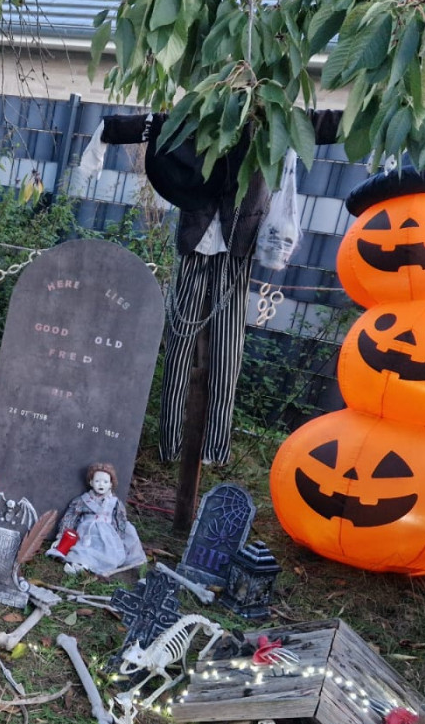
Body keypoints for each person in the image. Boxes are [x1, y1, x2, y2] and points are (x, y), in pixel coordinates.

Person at [98, 110, 341, 465]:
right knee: (180, 341)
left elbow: (319, 125)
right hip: (196, 240)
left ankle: (215, 448)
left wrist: (370, 117)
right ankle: (170, 444)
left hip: (237, 246)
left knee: (228, 353)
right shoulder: (202, 113)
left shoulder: (270, 119)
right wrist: (107, 129)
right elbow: (154, 124)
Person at [48, 463, 145, 577]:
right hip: (87, 532)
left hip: (107, 533)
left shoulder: (114, 502)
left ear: (110, 484)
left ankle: (92, 565)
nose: (101, 484)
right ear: (91, 482)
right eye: (97, 481)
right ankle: (80, 565)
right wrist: (61, 535)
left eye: (105, 482)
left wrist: (119, 536)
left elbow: (120, 519)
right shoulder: (84, 500)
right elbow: (71, 516)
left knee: (109, 553)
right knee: (83, 550)